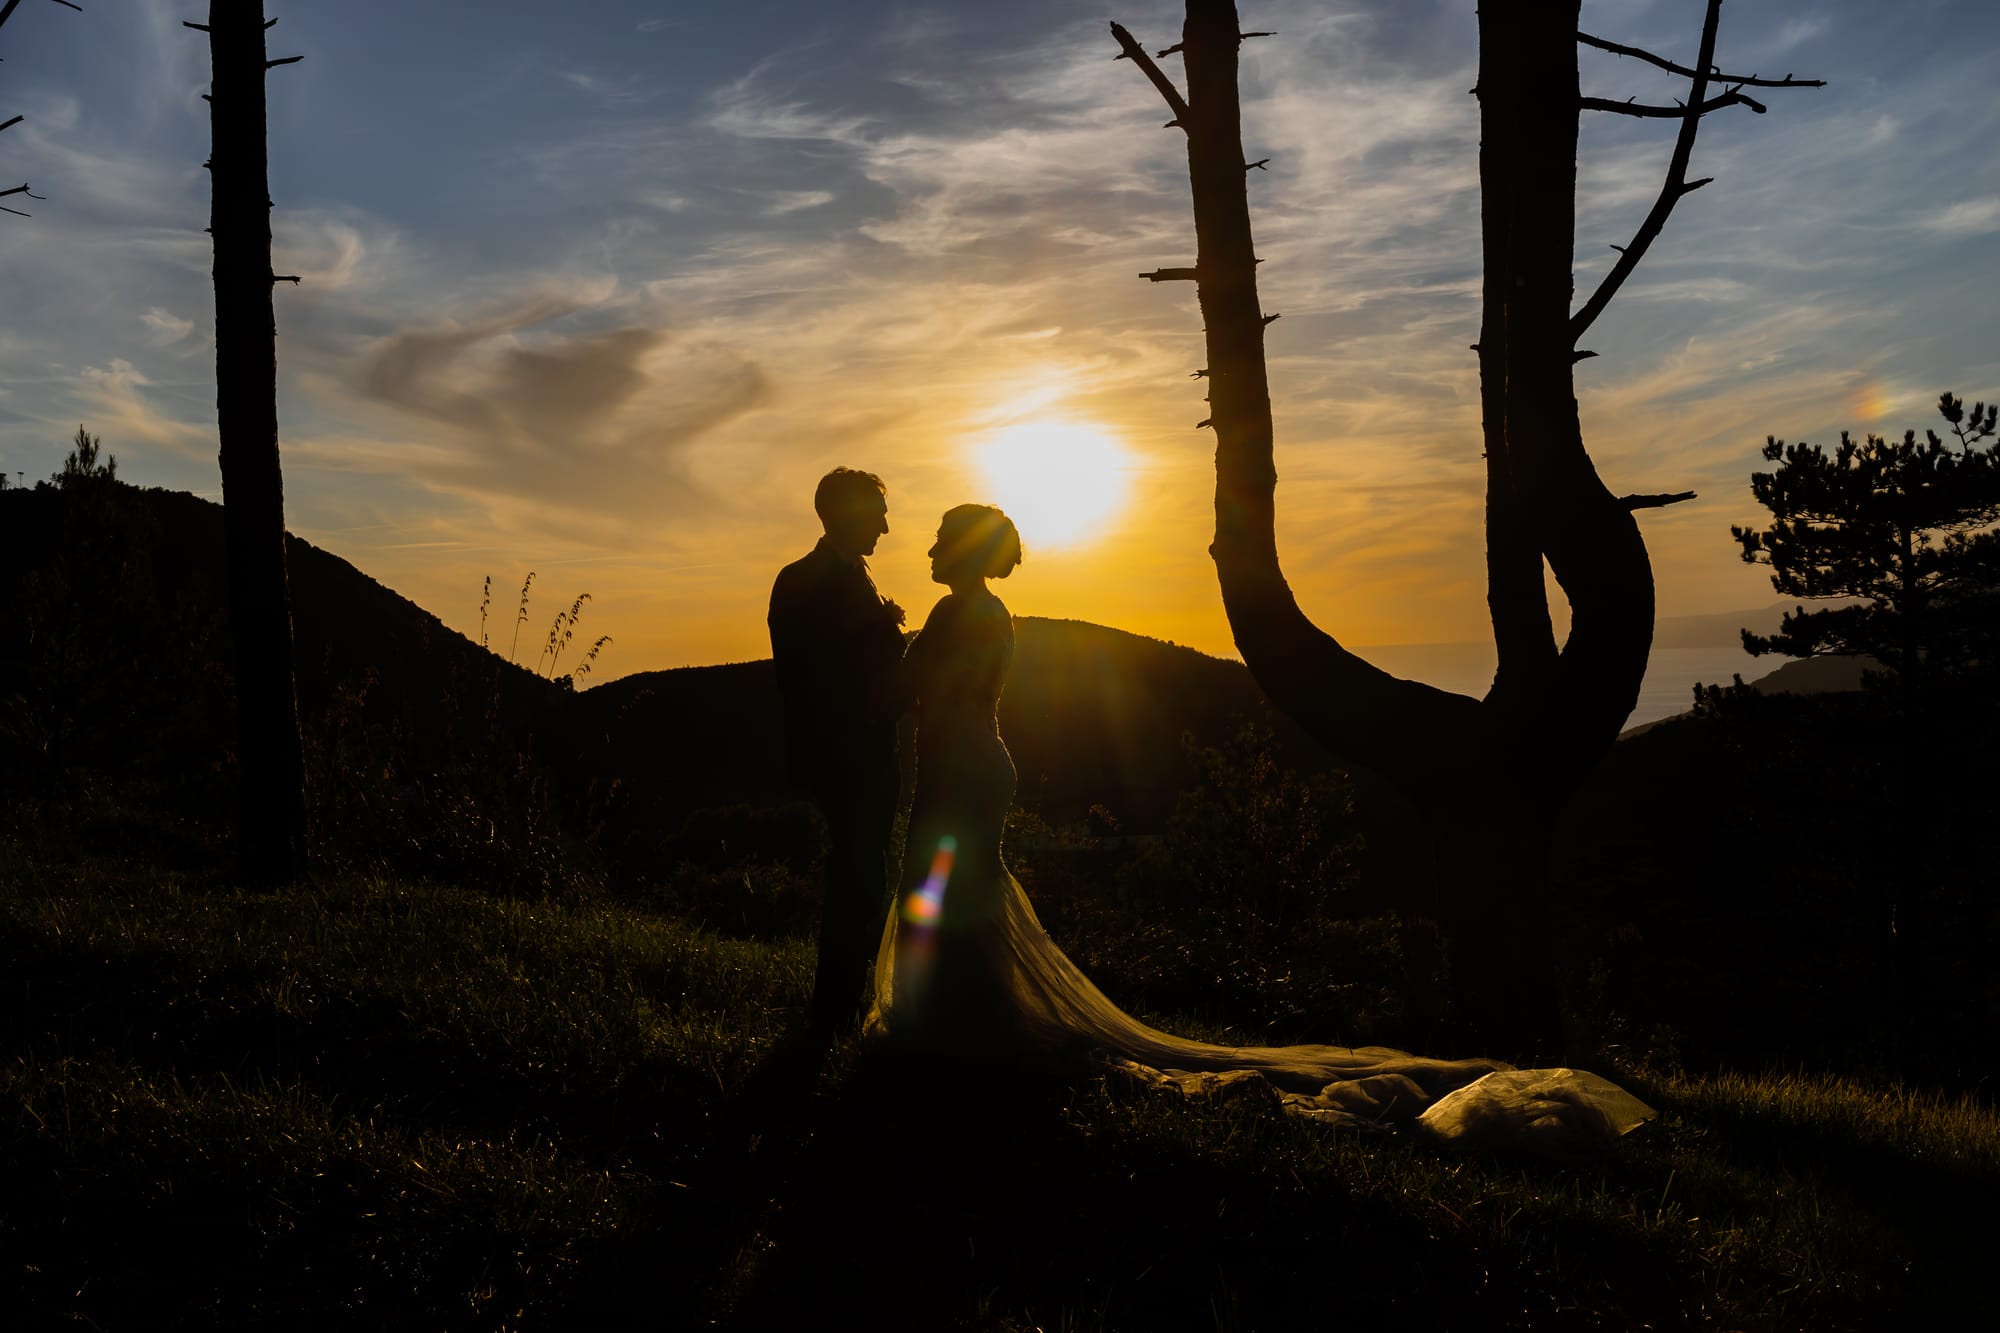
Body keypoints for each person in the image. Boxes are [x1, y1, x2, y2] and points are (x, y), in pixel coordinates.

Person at [867, 503, 1656, 1155]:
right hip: (983, 762)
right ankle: (962, 1018)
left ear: (964, 552)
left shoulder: (948, 613)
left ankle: (949, 1025)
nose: (931, 552)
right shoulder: (996, 613)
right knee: (966, 892)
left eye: (940, 541)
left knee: (942, 891)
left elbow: (901, 692)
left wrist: (883, 636)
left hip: (958, 768)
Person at [769, 467, 908, 1046]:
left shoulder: (855, 574)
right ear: (844, 514)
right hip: (846, 755)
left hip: (870, 751)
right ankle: (836, 1007)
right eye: (876, 509)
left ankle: (843, 1001)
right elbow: (809, 679)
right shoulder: (803, 580)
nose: (884, 522)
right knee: (857, 875)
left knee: (867, 870)